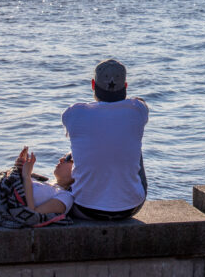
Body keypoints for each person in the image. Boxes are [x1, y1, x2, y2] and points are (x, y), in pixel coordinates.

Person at [62, 59, 149, 220]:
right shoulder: (138, 111)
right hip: (130, 208)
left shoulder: (75, 113)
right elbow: (141, 102)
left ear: (93, 84)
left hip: (84, 209)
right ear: (126, 86)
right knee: (130, 141)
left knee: (74, 154)